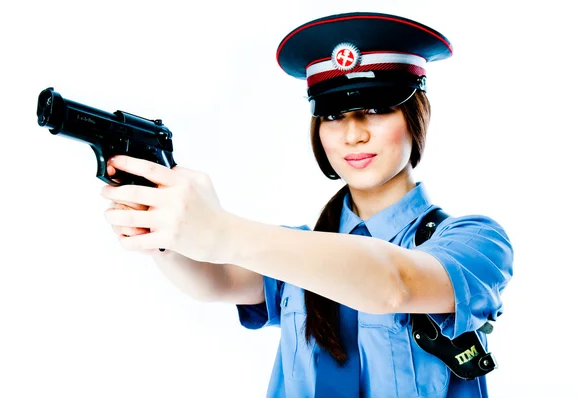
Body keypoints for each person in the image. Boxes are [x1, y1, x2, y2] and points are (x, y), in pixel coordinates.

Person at [101, 11, 514, 398]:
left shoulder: (476, 243)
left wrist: (222, 231)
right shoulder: (295, 252)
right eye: (334, 115)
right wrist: (157, 227)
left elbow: (394, 285)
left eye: (376, 109)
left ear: (416, 117)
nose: (353, 135)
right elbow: (215, 280)